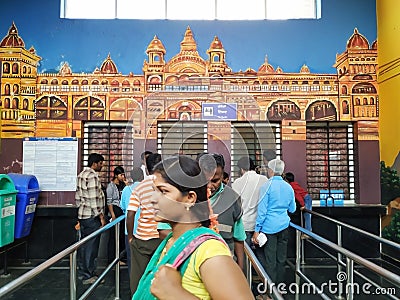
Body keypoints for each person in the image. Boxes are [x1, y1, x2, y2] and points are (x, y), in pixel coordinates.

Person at [133, 155, 253, 299]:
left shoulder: (208, 251)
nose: (152, 199)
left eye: (163, 191)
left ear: (190, 198)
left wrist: (175, 294)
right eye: (153, 190)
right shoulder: (171, 241)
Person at [126, 153, 171, 296]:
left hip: (142, 239)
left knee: (138, 276)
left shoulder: (139, 187)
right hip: (163, 237)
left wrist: (131, 237)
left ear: (146, 168)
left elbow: (131, 214)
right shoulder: (168, 185)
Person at [198, 153, 246, 271]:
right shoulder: (187, 198)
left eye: (215, 181)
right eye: (205, 180)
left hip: (225, 267)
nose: (209, 186)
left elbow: (239, 239)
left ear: (223, 175)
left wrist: (240, 271)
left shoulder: (233, 198)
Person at [253, 158, 296, 285]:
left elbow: (262, 211)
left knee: (270, 260)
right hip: (284, 226)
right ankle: (281, 287)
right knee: (281, 259)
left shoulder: (266, 186)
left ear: (270, 170)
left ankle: (271, 291)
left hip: (269, 228)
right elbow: (292, 209)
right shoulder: (288, 187)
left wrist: (256, 230)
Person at [75, 153, 106, 285]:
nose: (102, 167)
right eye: (100, 164)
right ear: (95, 163)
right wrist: (101, 216)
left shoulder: (81, 174)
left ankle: (83, 272)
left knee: (84, 245)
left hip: (83, 215)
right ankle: (89, 275)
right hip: (92, 216)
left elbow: (77, 197)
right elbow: (93, 199)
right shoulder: (92, 176)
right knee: (91, 247)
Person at [232, 156, 268, 267]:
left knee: (245, 255)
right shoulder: (264, 180)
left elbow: (235, 204)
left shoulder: (237, 183)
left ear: (242, 169)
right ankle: (264, 280)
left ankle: (247, 280)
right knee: (262, 255)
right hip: (261, 224)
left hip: (244, 224)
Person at [120, 167, 144, 275]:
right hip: (144, 229)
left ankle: (132, 284)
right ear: (142, 177)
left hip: (130, 230)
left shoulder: (126, 190)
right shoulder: (147, 189)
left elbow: (123, 207)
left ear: (132, 178)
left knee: (131, 259)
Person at [106, 165, 127, 263]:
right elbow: (109, 201)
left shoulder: (123, 185)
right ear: (116, 175)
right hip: (115, 210)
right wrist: (112, 214)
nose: (123, 177)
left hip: (122, 212)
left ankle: (121, 256)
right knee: (113, 236)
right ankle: (112, 258)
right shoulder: (111, 186)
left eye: (123, 175)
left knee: (122, 235)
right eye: (121, 175)